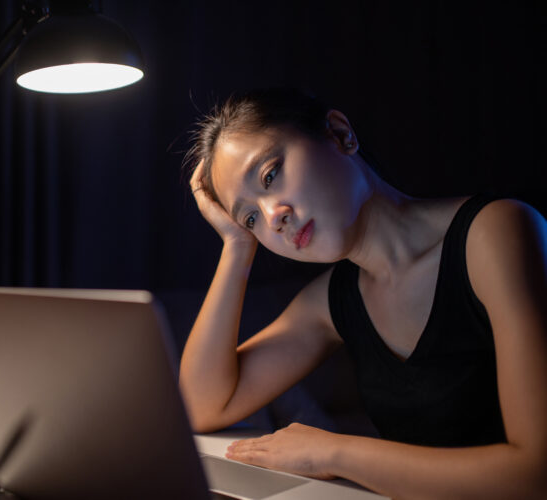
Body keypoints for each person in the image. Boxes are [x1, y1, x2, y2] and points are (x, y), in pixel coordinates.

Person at [179, 88, 547, 499]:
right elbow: (200, 406)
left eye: (269, 175)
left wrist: (334, 453)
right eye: (251, 217)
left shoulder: (496, 233)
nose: (273, 217)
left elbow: (534, 474)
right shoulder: (331, 303)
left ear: (339, 134)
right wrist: (237, 245)